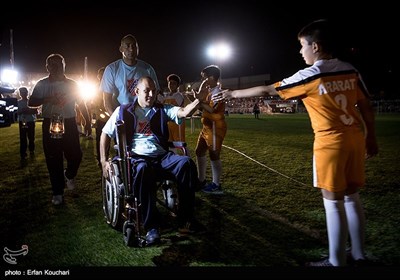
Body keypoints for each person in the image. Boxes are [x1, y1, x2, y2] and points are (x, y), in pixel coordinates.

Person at [213, 19, 378, 266]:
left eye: (303, 46)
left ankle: (335, 261)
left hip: (330, 143)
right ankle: (359, 254)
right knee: (352, 197)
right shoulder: (349, 69)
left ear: (317, 47)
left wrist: (232, 93)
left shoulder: (312, 75)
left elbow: (269, 90)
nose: (300, 51)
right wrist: (371, 136)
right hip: (355, 138)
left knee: (332, 202)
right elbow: (365, 105)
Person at [100, 76, 208, 245]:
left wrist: (198, 101)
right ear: (136, 92)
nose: (151, 94)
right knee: (143, 169)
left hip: (161, 156)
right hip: (136, 157)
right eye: (146, 91)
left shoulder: (162, 109)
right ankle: (151, 226)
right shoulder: (122, 111)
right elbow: (105, 134)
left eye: (154, 91)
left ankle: (186, 219)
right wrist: (103, 160)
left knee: (186, 163)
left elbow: (184, 112)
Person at [28, 53, 91, 205]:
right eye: (52, 64)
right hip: (51, 121)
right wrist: (48, 99)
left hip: (69, 122)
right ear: (47, 67)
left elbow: (81, 103)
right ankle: (57, 192)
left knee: (76, 154)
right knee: (53, 158)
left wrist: (87, 121)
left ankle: (69, 174)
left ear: (64, 65)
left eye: (59, 64)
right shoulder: (42, 84)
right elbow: (31, 101)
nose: (56, 67)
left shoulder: (72, 84)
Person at [100, 34, 160, 116]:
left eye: (134, 46)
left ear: (138, 49)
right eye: (127, 46)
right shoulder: (111, 69)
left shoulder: (148, 69)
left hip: (143, 117)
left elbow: (155, 96)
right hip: (121, 115)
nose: (131, 49)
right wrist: (116, 120)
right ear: (121, 49)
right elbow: (107, 100)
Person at [195, 65, 227, 195]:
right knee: (199, 151)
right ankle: (201, 179)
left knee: (214, 155)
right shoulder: (210, 90)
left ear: (212, 78)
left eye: (205, 78)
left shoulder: (218, 92)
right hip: (207, 127)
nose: (203, 81)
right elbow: (204, 107)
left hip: (215, 127)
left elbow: (212, 110)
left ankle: (216, 184)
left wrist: (199, 102)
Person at [158, 74, 186, 144]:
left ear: (178, 85)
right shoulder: (166, 95)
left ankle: (185, 155)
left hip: (177, 124)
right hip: (168, 124)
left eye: (174, 83)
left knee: (180, 143)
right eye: (170, 83)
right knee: (170, 144)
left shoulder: (178, 96)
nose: (171, 85)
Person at [91, 66, 109, 167]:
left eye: (104, 74)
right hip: (100, 117)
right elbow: (93, 103)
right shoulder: (96, 88)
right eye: (101, 75)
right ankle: (101, 158)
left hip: (110, 116)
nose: (102, 77)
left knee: (116, 138)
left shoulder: (111, 86)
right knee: (100, 138)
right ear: (98, 76)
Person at [17, 87, 37, 160]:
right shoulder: (18, 103)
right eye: (22, 93)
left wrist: (28, 111)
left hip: (30, 121)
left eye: (24, 92)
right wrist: (22, 111)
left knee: (31, 137)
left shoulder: (31, 102)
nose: (23, 94)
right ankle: (23, 153)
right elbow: (16, 113)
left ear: (27, 93)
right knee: (23, 138)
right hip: (23, 122)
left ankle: (31, 150)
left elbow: (36, 111)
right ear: (20, 94)